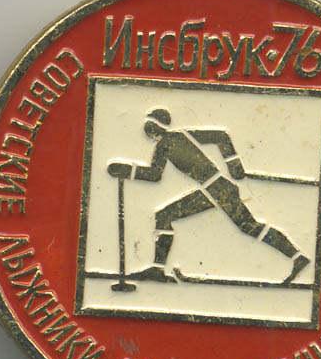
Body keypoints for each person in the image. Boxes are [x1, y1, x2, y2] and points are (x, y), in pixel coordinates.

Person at [108, 107, 309, 284]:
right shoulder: (175, 139)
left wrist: (234, 164)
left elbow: (220, 136)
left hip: (216, 189)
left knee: (249, 226)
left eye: (148, 125)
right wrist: (127, 170)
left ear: (154, 126)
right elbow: (156, 175)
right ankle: (157, 270)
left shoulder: (171, 141)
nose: (146, 130)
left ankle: (297, 257)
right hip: (214, 189)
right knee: (246, 226)